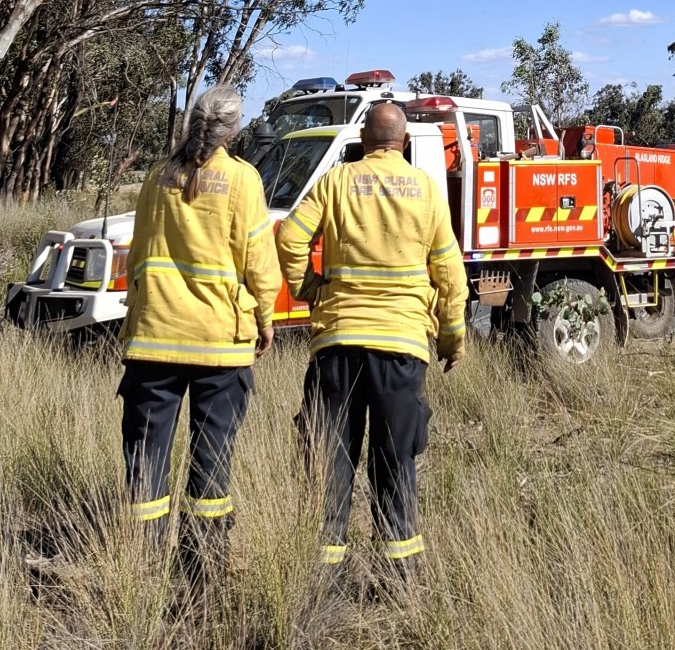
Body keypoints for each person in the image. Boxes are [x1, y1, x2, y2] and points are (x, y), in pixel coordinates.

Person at [276, 100, 467, 574]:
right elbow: (449, 273)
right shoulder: (425, 189)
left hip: (337, 344)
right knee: (395, 463)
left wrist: (310, 289)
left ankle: (324, 579)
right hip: (401, 349)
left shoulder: (337, 182)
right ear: (402, 143)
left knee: (331, 464)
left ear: (364, 141)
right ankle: (398, 578)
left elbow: (288, 239)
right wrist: (452, 340)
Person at [118, 85, 281, 560]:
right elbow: (258, 259)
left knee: (145, 457)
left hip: (153, 339)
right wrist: (265, 318)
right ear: (233, 130)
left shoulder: (157, 177)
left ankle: (140, 563)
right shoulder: (242, 179)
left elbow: (140, 254)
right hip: (219, 343)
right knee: (212, 459)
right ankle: (203, 562)